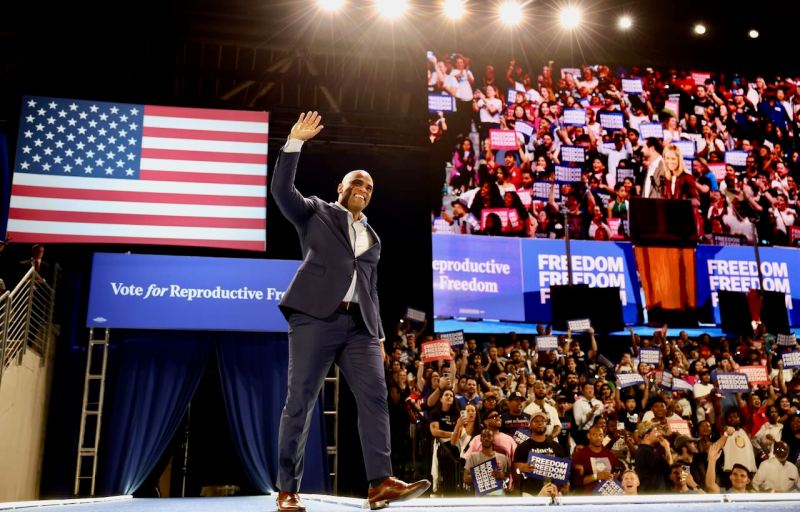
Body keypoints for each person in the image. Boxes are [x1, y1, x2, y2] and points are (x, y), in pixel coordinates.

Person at [271, 111, 429, 511]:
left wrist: (378, 336)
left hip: (359, 328)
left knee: (375, 397)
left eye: (370, 186)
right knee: (301, 401)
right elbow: (281, 191)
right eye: (357, 182)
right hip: (314, 318)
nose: (364, 188)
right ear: (340, 187)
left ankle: (380, 483)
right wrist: (294, 143)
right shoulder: (315, 212)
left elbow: (371, 288)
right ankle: (287, 489)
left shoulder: (373, 237)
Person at [514, 411, 566, 496]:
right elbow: (515, 471)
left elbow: (563, 470)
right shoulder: (522, 447)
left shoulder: (556, 446)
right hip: (530, 492)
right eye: (536, 421)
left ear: (546, 424)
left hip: (552, 491)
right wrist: (522, 468)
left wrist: (564, 486)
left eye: (543, 421)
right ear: (530, 425)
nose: (540, 423)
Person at [463, 428, 510, 496]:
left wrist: (502, 476)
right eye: (484, 436)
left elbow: (508, 479)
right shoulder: (472, 457)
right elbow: (466, 479)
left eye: (489, 436)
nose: (486, 438)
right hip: (481, 497)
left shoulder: (503, 457)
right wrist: (485, 475)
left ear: (493, 439)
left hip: (499, 495)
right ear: (480, 439)